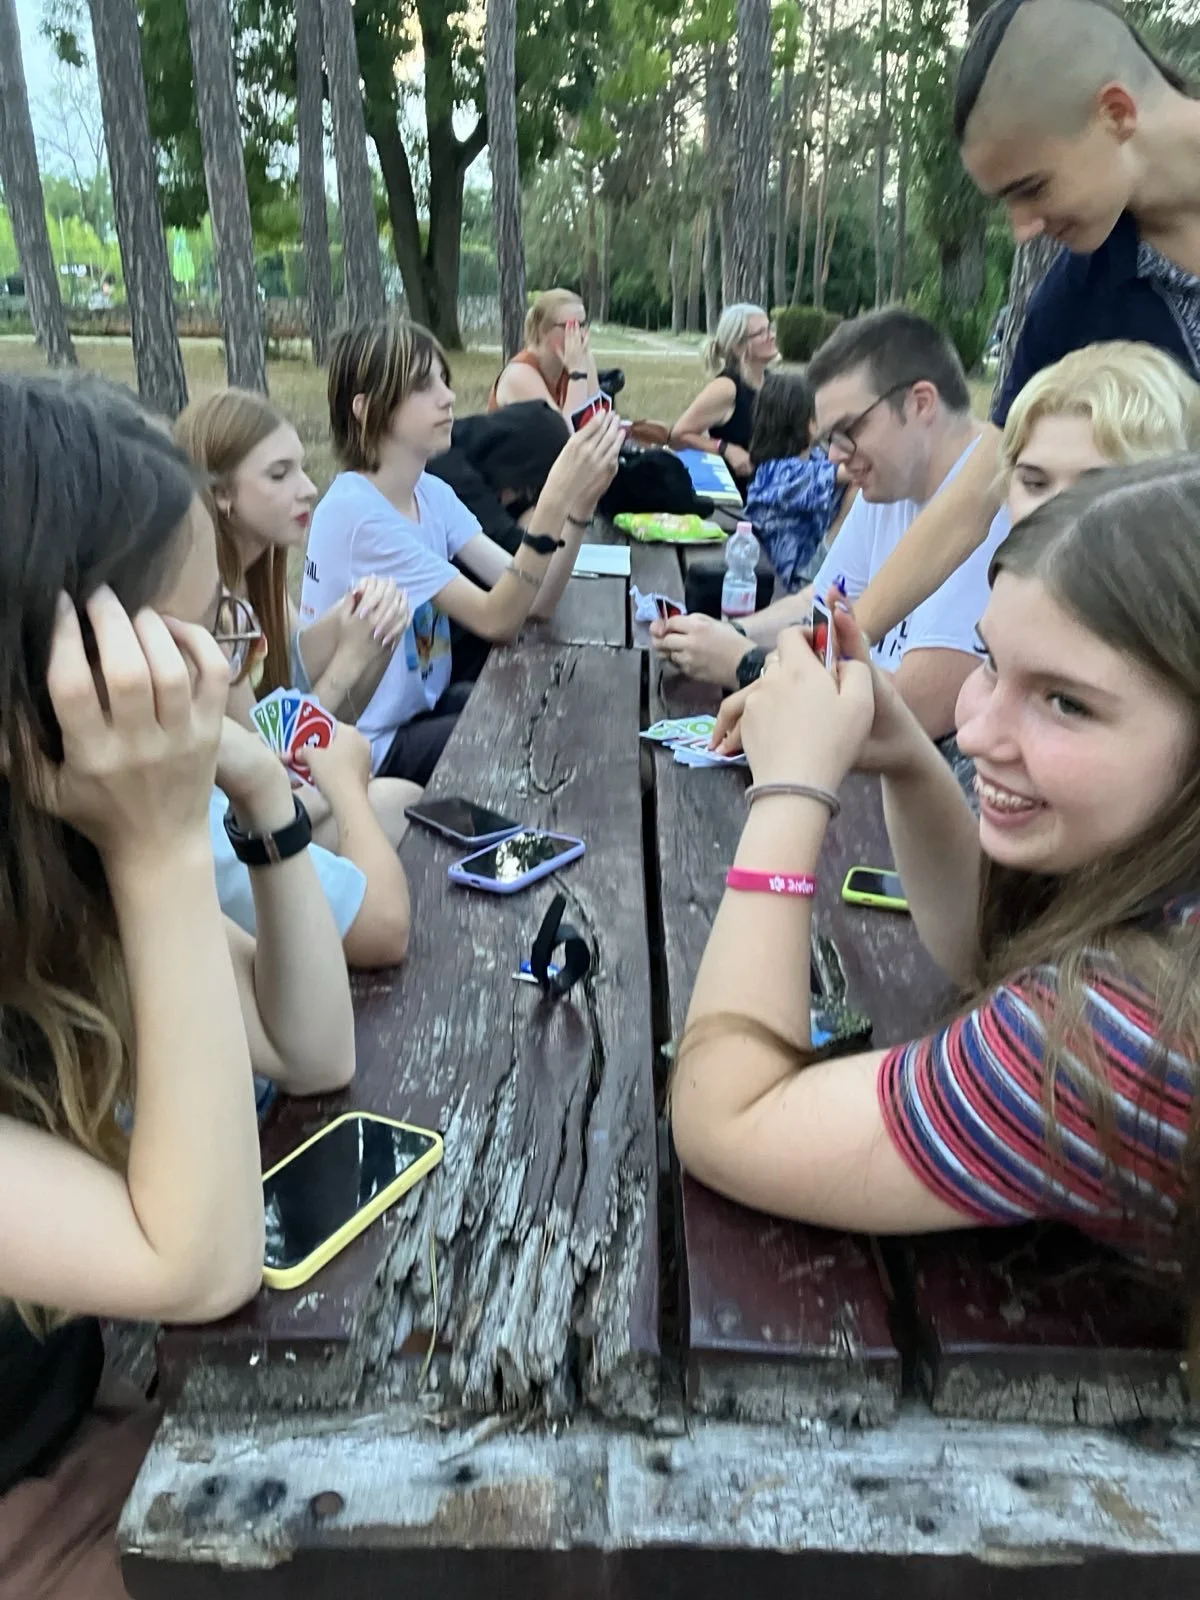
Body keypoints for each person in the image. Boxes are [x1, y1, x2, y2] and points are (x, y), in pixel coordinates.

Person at [671, 459, 1200, 1313]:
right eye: (991, 663)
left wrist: (790, 793)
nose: (979, 728)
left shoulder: (1126, 1031)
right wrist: (912, 759)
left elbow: (727, 1118)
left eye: (1066, 702)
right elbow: (985, 953)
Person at [0, 374, 356, 1598]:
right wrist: (159, 848)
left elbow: (310, 1050)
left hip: (78, 1436)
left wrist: (259, 798)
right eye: (191, 639)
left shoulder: (56, 870)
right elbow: (197, 1268)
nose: (222, 671)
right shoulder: (122, 856)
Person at [849, 0, 1200, 649]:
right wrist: (844, 637)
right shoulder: (1077, 298)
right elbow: (983, 487)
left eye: (1032, 187)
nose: (1023, 227)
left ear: (1117, 113)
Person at [708, 335, 1200, 757]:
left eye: (1095, 486)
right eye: (1034, 481)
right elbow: (822, 607)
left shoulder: (1152, 667)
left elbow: (916, 720)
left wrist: (750, 665)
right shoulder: (1021, 591)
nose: (1057, 513)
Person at [656, 310, 1005, 748]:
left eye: (847, 432)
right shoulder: (890, 482)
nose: (836, 457)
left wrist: (748, 664)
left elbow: (920, 711)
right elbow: (816, 603)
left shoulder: (992, 511)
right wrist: (729, 636)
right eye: (828, 439)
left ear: (921, 403)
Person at [301, 319, 623, 786]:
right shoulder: (359, 514)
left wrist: (578, 507)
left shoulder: (429, 492)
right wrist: (552, 500)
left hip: (415, 714)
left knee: (553, 710)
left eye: (444, 382)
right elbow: (497, 618)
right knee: (529, 746)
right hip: (364, 747)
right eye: (422, 386)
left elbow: (534, 599)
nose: (447, 397)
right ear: (367, 410)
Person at [175, 390, 415, 969]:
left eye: (302, 468)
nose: (308, 487)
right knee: (400, 805)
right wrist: (352, 662)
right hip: (254, 826)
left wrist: (367, 628)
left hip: (273, 810)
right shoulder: (214, 621)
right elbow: (283, 754)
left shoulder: (257, 590)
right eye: (280, 474)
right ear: (223, 496)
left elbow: (306, 701)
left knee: (405, 801)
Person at [742, 369, 852, 593]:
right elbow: (852, 470)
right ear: (809, 422)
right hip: (794, 584)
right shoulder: (778, 475)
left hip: (808, 570)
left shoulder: (814, 458)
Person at [427, 400, 572, 556]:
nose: (516, 500)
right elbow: (513, 544)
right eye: (525, 492)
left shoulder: (464, 447)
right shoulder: (445, 464)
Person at [669, 305, 778, 492]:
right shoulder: (727, 388)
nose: (772, 336)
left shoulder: (771, 383)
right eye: (761, 332)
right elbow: (678, 435)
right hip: (738, 501)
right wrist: (725, 448)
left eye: (770, 328)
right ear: (738, 346)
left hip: (770, 490)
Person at [488, 289, 600, 420]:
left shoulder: (579, 358)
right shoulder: (519, 375)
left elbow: (597, 414)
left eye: (582, 325)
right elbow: (565, 433)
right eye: (570, 326)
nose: (579, 335)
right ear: (542, 331)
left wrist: (584, 364)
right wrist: (577, 374)